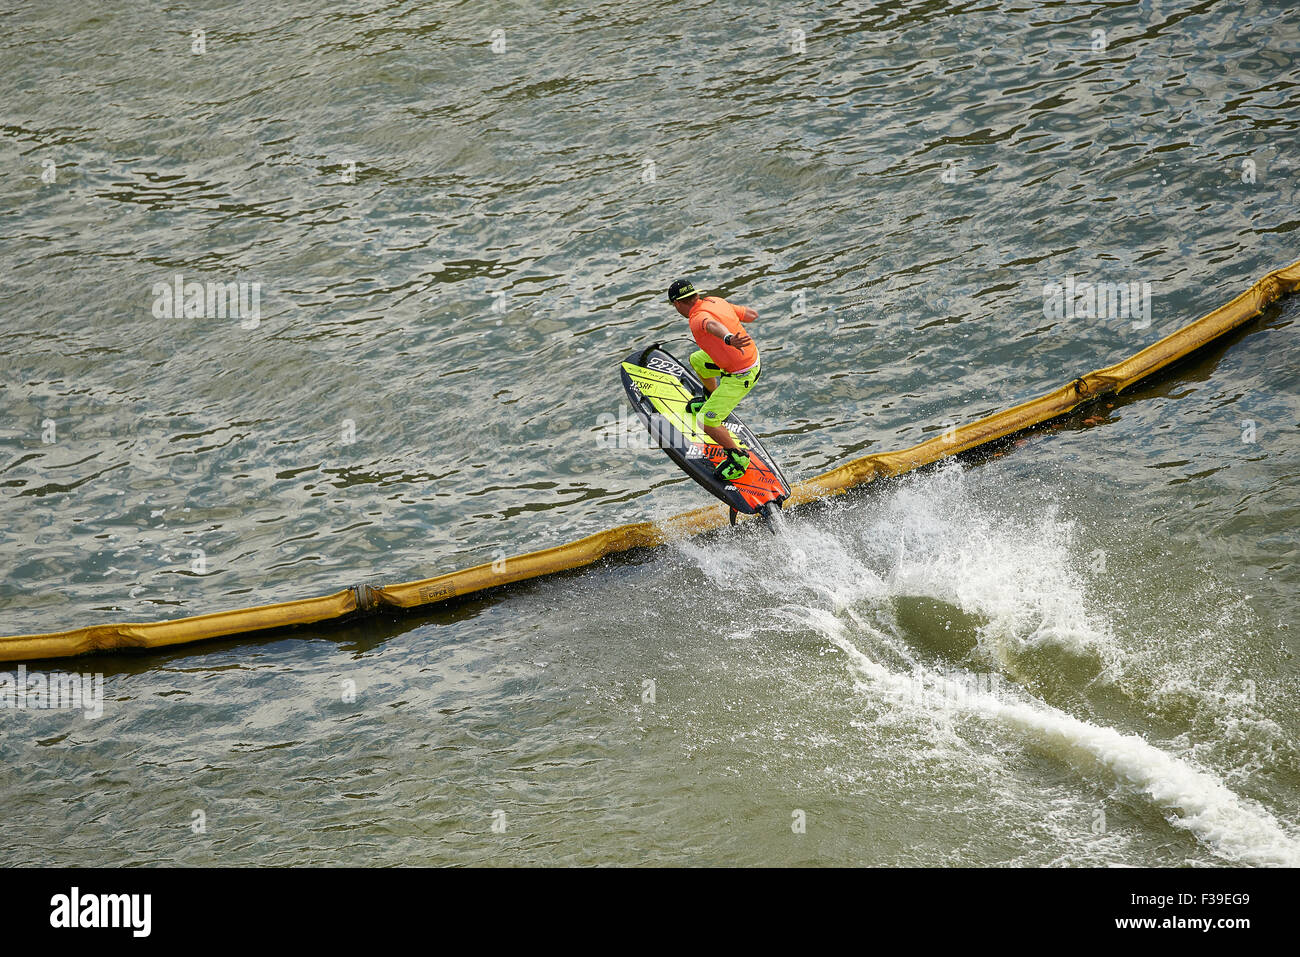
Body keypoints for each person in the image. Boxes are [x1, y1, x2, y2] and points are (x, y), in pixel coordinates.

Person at [666, 278, 761, 481]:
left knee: (706, 421)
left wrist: (727, 338)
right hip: (743, 357)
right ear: (695, 295)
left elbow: (711, 325)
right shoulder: (716, 301)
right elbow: (751, 314)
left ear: (677, 303)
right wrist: (735, 331)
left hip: (741, 374)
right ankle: (709, 396)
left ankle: (738, 458)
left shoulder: (696, 317)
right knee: (697, 360)